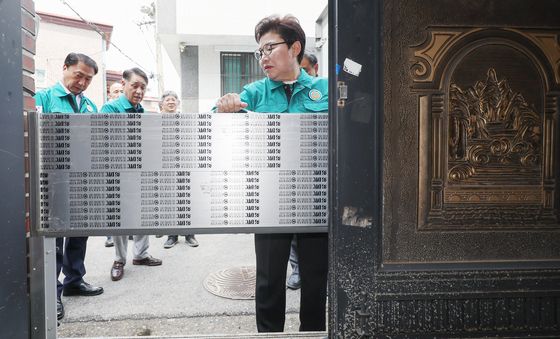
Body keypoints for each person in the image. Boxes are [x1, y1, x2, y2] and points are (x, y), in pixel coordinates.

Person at [215, 15, 328, 332]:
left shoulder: (324, 89)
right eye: (259, 51)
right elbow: (216, 125)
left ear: (295, 48)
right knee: (268, 280)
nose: (263, 57)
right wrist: (225, 109)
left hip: (315, 199)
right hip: (269, 202)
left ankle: (313, 335)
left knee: (316, 279)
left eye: (270, 48)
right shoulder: (255, 92)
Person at [34, 52, 104, 321]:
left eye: (88, 79)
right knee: (55, 240)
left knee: (79, 235)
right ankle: (53, 293)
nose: (83, 83)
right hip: (52, 182)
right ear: (64, 68)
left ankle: (75, 279)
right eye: (79, 76)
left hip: (81, 181)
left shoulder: (89, 106)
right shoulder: (44, 99)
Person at [101, 67, 163, 281]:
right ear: (124, 84)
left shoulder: (142, 112)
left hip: (140, 170)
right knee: (120, 218)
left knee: (142, 214)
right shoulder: (110, 109)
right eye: (135, 85)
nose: (139, 91)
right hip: (117, 172)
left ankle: (141, 254)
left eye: (143, 87)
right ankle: (119, 259)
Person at [286, 52, 320, 291]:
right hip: (288, 177)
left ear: (314, 68)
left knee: (316, 236)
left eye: (306, 69)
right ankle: (297, 268)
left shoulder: (325, 90)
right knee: (292, 234)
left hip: (316, 177)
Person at [158, 90, 200, 249]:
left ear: (178, 103)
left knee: (187, 201)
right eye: (167, 100)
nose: (170, 102)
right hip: (165, 166)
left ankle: (190, 235)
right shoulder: (157, 121)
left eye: (173, 100)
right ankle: (172, 236)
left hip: (184, 165)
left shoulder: (184, 119)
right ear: (162, 103)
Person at [103, 82, 125, 248]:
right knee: (113, 206)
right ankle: (111, 237)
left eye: (121, 91)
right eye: (115, 91)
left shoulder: (137, 108)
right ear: (110, 94)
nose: (118, 94)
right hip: (112, 164)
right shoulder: (108, 108)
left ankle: (141, 254)